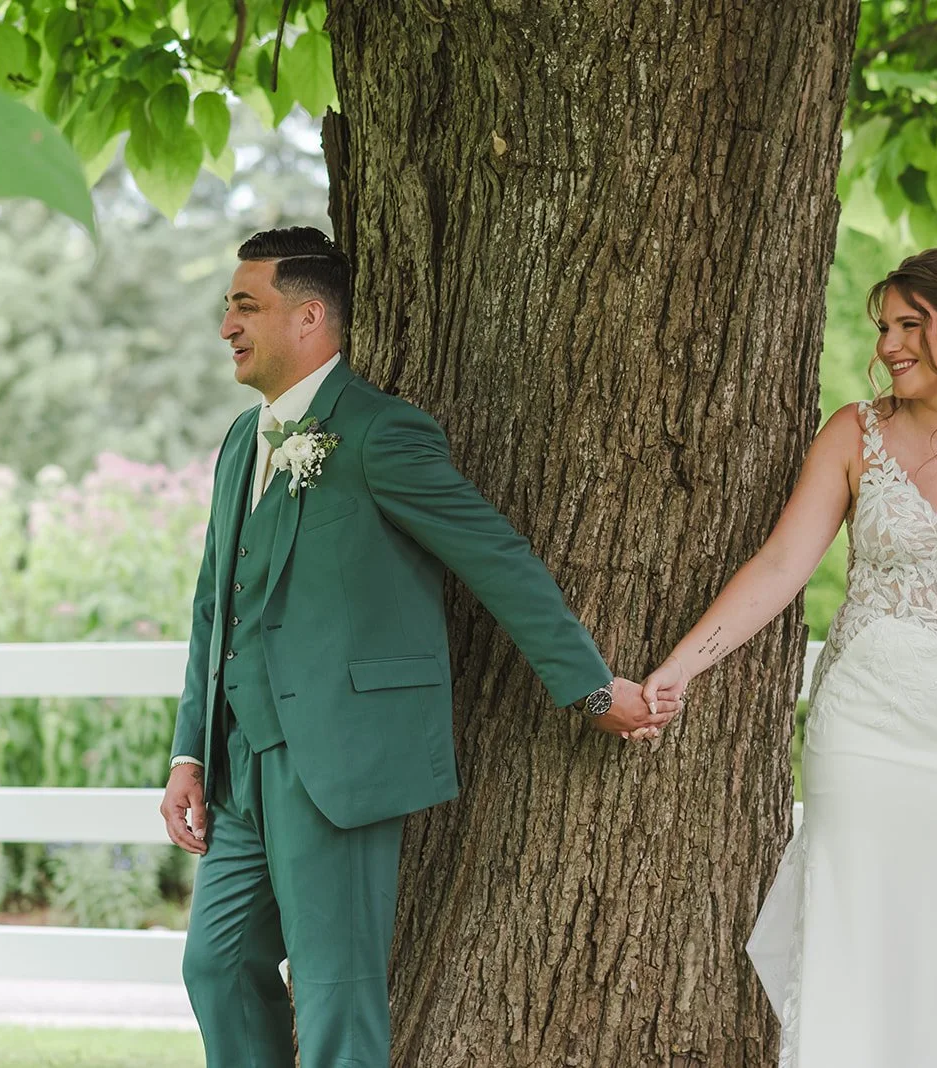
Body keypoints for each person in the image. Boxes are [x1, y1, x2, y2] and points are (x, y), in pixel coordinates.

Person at [157, 226, 676, 1067]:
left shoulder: (380, 433)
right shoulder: (237, 446)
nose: (227, 326)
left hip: (339, 758)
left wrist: (588, 687)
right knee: (215, 965)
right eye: (227, 308)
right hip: (238, 765)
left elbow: (495, 557)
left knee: (335, 991)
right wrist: (189, 753)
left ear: (310, 317)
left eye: (245, 306)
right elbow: (214, 608)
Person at [641, 248, 937, 1065]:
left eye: (910, 325)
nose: (888, 344)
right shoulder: (855, 433)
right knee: (857, 934)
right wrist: (680, 666)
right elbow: (781, 566)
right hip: (868, 732)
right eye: (883, 327)